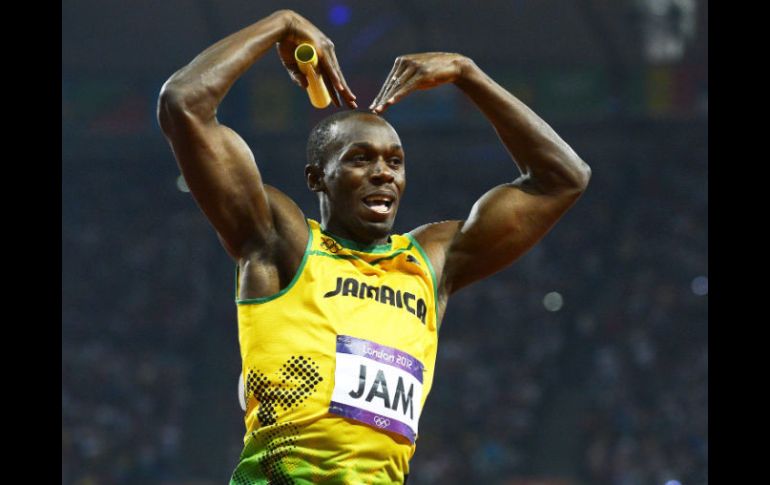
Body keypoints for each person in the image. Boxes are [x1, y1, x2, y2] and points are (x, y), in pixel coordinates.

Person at [157, 9, 591, 485]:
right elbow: (184, 103)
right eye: (360, 159)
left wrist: (468, 75)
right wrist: (281, 24)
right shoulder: (282, 242)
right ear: (317, 178)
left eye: (395, 162)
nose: (383, 172)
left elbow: (564, 178)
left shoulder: (431, 261)